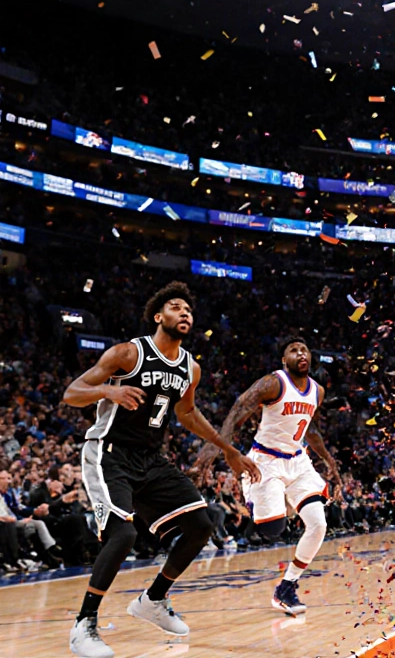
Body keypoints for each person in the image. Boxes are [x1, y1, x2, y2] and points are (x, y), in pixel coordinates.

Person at [61, 282, 262, 658]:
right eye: (175, 307)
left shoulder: (190, 367)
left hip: (151, 459)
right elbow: (72, 392)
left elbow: (186, 413)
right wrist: (108, 391)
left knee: (201, 525)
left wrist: (229, 450)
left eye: (188, 309)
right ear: (159, 316)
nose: (184, 313)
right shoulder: (128, 353)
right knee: (123, 535)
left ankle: (152, 599)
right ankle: (83, 625)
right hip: (109, 452)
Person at [194, 337, 342, 615]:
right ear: (284, 361)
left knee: (318, 524)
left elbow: (310, 430)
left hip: (298, 461)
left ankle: (286, 587)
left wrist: (329, 461)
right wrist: (210, 455)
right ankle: (253, 492)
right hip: (265, 461)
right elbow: (236, 413)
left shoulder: (317, 391)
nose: (301, 353)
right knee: (273, 530)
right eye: (294, 350)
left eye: (305, 349)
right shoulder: (272, 383)